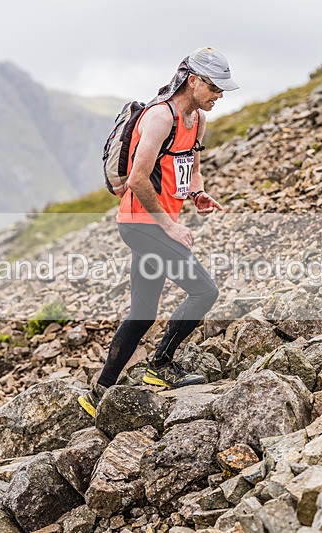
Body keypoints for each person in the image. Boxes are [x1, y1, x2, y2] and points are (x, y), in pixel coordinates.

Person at [79, 47, 239, 417]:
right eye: (215, 87)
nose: (219, 95)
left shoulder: (196, 119)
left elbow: (192, 165)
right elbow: (137, 179)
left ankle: (98, 393)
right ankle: (161, 364)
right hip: (141, 224)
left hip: (153, 224)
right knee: (205, 291)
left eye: (223, 89)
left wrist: (197, 193)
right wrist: (169, 225)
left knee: (143, 312)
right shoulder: (159, 117)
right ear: (193, 81)